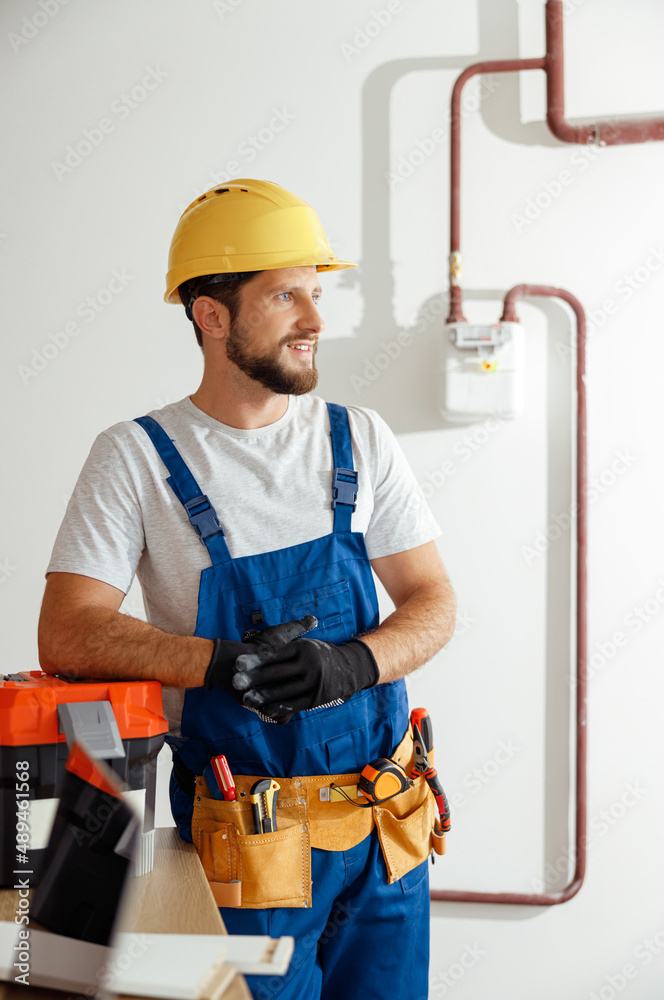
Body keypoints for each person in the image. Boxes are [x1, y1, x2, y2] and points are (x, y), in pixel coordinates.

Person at [38, 178, 456, 1000]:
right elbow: (68, 632)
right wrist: (218, 661)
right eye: (284, 296)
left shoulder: (357, 438)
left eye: (315, 292)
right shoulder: (136, 458)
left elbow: (434, 601)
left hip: (384, 834)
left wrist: (352, 665)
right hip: (246, 845)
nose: (314, 319)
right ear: (211, 314)